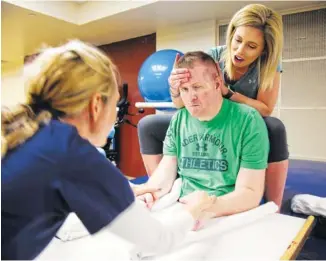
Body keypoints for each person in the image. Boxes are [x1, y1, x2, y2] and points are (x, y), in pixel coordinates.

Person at [1, 40, 216, 260]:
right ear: (96, 106)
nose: (114, 116)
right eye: (114, 104)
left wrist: (119, 190)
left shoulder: (28, 133)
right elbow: (162, 240)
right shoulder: (73, 154)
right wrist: (195, 208)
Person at [138, 4, 288, 209]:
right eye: (238, 40)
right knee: (149, 124)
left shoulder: (269, 66)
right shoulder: (215, 56)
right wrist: (175, 87)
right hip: (206, 116)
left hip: (240, 119)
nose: (240, 50)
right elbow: (181, 104)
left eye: (251, 46)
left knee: (275, 127)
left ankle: (274, 205)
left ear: (264, 50)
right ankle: (160, 190)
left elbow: (265, 108)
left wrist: (227, 93)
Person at [138, 51, 269, 229]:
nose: (191, 97)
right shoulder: (179, 119)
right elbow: (165, 171)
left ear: (217, 84)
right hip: (182, 207)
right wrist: (150, 192)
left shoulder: (248, 120)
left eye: (198, 87)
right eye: (184, 89)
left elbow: (250, 192)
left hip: (227, 210)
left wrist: (210, 205)